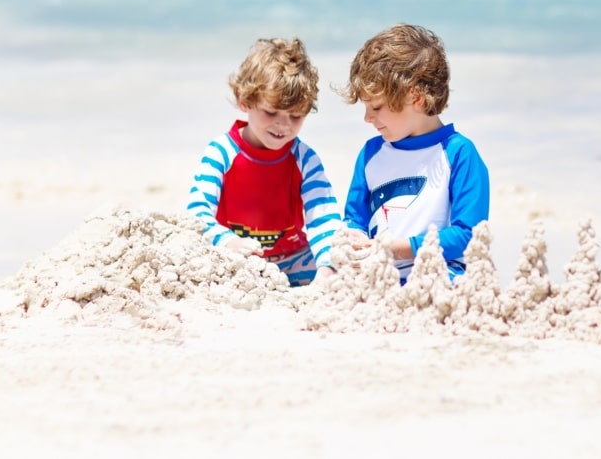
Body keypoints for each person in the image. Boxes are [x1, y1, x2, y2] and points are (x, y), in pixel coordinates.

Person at [337, 23, 490, 283]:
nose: (367, 117)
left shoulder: (459, 154)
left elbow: (469, 235)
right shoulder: (371, 153)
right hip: (379, 276)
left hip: (439, 276)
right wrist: (355, 236)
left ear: (416, 98)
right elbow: (354, 218)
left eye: (376, 106)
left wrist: (397, 248)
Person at [187, 37, 341, 286]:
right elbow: (197, 213)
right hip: (236, 258)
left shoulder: (304, 158)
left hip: (293, 258)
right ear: (244, 100)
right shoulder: (222, 152)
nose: (283, 125)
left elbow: (324, 216)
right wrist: (228, 241)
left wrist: (326, 266)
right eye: (271, 112)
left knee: (340, 271)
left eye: (296, 116)